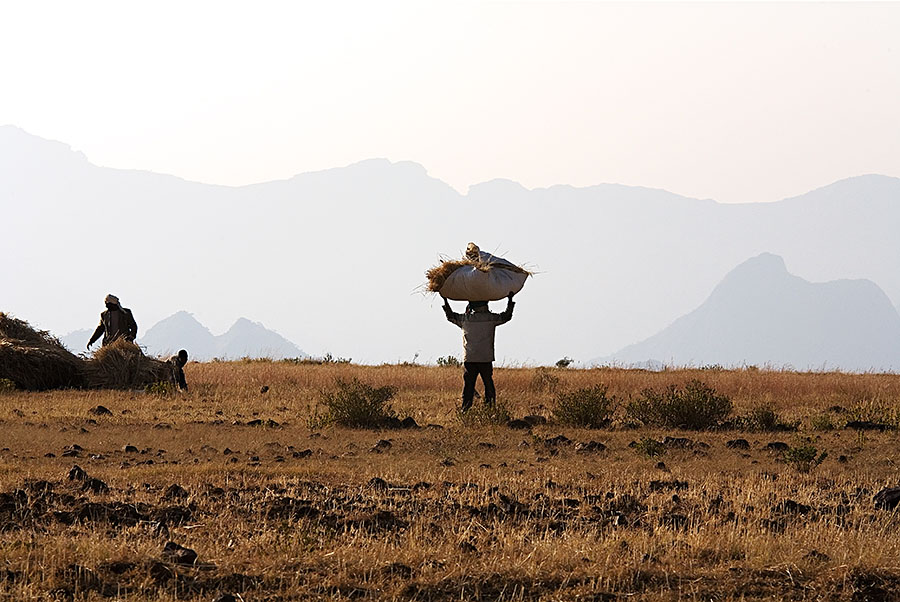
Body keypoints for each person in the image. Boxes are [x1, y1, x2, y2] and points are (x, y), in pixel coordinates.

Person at [442, 291, 515, 411]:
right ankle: (490, 409)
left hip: (470, 358)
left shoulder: (465, 319)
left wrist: (445, 300)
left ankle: (465, 409)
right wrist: (510, 300)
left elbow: (450, 316)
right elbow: (507, 316)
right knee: (488, 384)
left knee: (468, 386)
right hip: (486, 357)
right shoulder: (491, 318)